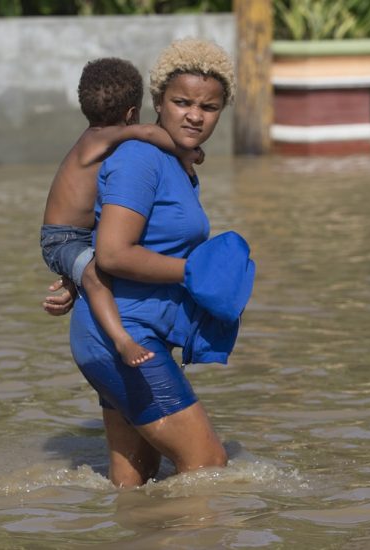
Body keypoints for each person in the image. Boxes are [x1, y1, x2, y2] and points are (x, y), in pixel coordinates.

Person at [59, 38, 241, 488]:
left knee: (134, 488)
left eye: (209, 107)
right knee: (208, 466)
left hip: (130, 336)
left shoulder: (177, 163)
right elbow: (114, 253)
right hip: (123, 338)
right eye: (182, 102)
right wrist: (194, 274)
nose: (195, 116)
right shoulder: (141, 158)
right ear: (157, 102)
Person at [40, 57, 202, 367]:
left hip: (79, 235)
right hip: (60, 239)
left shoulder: (94, 140)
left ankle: (74, 289)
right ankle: (122, 340)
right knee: (95, 275)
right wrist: (188, 150)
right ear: (131, 114)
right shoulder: (102, 138)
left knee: (91, 269)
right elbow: (150, 134)